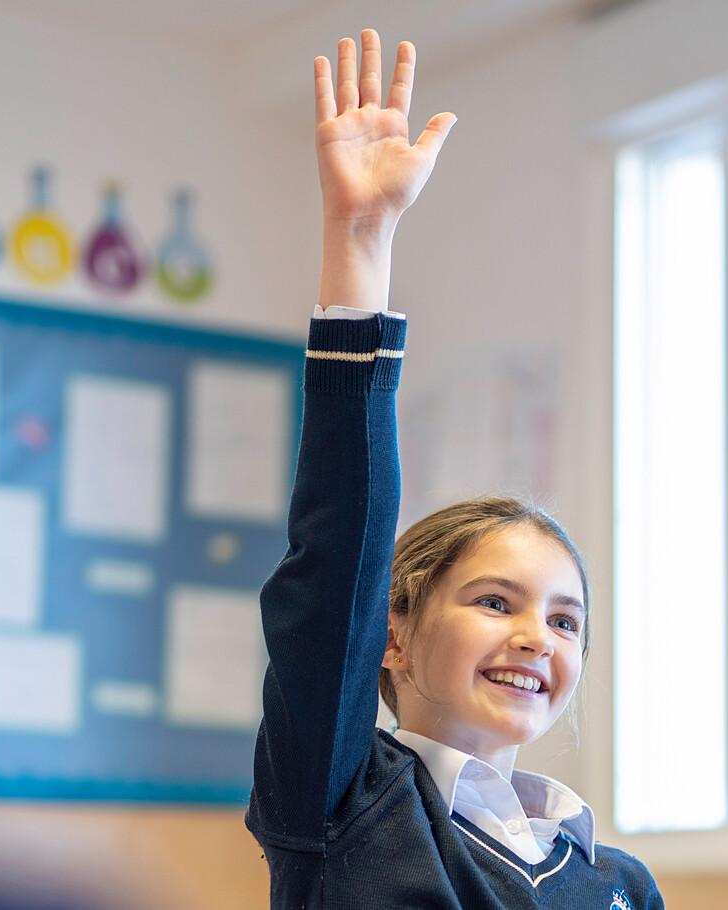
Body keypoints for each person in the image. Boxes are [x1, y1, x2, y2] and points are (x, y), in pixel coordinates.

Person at [245, 28, 664, 909]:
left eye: (565, 621)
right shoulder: (345, 801)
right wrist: (359, 239)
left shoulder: (617, 882)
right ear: (392, 635)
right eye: (494, 601)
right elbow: (339, 551)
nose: (536, 639)